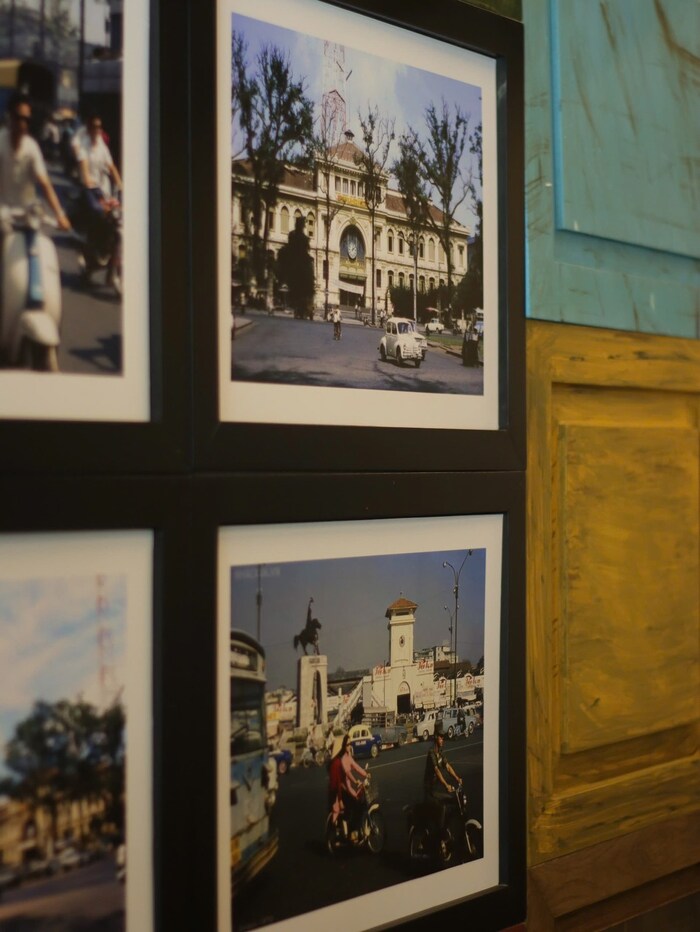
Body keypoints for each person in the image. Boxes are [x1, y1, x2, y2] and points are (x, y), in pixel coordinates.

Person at [0, 92, 71, 230]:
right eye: (18, 118)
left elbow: (45, 183)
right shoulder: (1, 142)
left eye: (26, 120)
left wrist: (60, 215)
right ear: (10, 117)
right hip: (3, 217)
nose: (22, 124)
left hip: (28, 216)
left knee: (41, 244)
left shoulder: (32, 147)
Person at [424, 729, 462, 830]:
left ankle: (446, 827)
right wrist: (446, 785)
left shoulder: (440, 752)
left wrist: (457, 778)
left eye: (443, 738)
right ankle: (440, 833)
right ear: (436, 737)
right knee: (442, 807)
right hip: (429, 791)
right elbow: (436, 770)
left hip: (436, 790)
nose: (442, 740)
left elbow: (447, 766)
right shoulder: (431, 752)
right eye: (441, 737)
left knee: (452, 801)